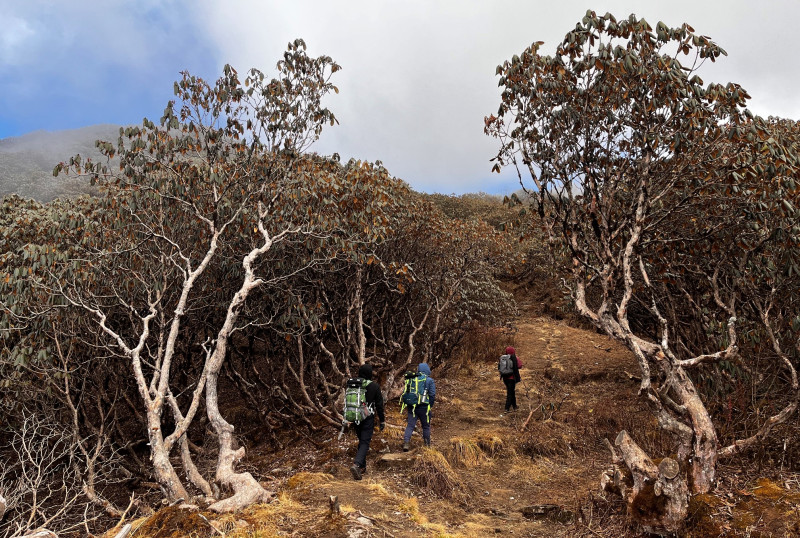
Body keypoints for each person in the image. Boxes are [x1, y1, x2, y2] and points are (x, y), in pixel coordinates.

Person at [350, 363, 385, 480]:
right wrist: (382, 420)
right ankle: (357, 464)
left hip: (355, 416)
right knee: (365, 442)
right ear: (369, 374)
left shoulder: (353, 384)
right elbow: (379, 405)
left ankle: (362, 467)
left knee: (362, 440)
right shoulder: (374, 386)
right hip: (367, 417)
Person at [401, 363, 436, 451]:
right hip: (424, 407)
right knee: (426, 426)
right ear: (427, 370)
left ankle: (406, 443)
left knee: (410, 425)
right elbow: (432, 395)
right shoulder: (429, 380)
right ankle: (427, 445)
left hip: (411, 406)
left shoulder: (412, 378)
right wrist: (430, 406)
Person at [500, 346, 522, 413]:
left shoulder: (503, 358)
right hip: (512, 378)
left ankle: (515, 406)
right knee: (510, 393)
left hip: (505, 378)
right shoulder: (515, 358)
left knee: (512, 392)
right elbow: (520, 366)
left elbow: (499, 367)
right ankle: (507, 408)